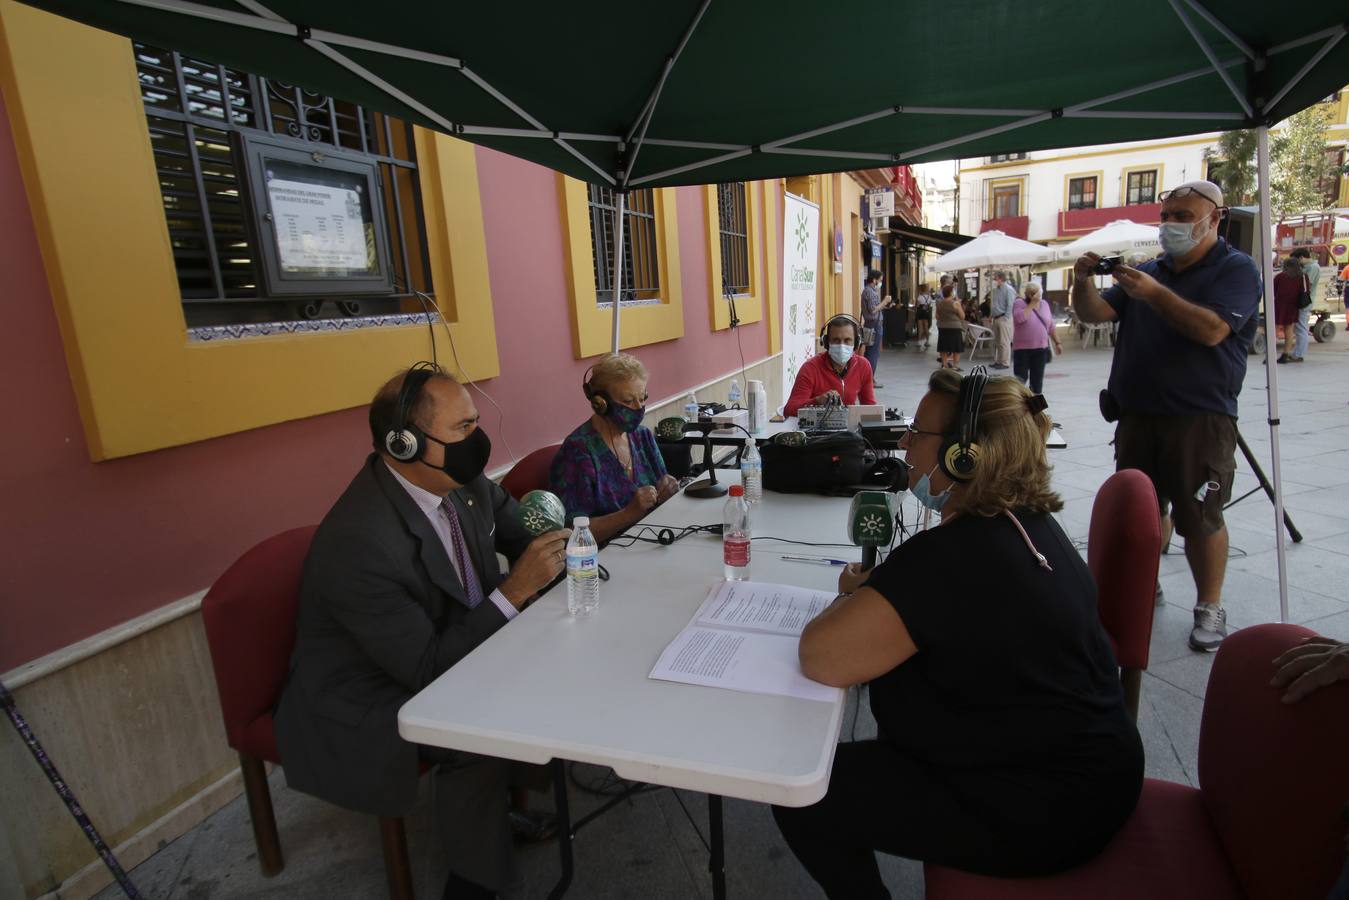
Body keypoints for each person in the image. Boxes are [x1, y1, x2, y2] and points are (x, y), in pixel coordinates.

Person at [772, 367, 1142, 898]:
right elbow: (961, 604)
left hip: (1049, 812)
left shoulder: (952, 559)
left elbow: (821, 656)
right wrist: (881, 589)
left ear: (963, 456)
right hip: (1092, 775)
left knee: (809, 794)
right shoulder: (1025, 523)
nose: (904, 444)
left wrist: (854, 600)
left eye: (917, 434)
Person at [275, 365, 573, 900]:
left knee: (546, 661)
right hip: (367, 691)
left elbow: (525, 536)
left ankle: (498, 813)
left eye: (475, 423)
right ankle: (475, 882)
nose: (477, 442)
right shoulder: (360, 541)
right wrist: (513, 590)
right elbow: (428, 669)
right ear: (404, 443)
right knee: (473, 728)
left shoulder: (464, 483)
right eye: (462, 430)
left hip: (441, 644)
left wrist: (573, 548)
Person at [1071, 180, 1261, 652]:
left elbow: (1213, 330)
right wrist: (1081, 282)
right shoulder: (1151, 269)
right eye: (1167, 214)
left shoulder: (1236, 270)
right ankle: (1142, 583)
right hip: (1137, 414)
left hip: (1199, 418)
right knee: (1144, 512)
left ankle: (1209, 606)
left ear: (1214, 218)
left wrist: (1155, 295)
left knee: (1200, 515)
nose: (1172, 224)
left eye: (1183, 215)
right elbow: (1096, 312)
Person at [549, 352, 680, 543]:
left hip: (654, 540)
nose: (638, 407)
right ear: (601, 403)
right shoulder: (578, 452)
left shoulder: (642, 436)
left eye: (642, 398)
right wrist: (628, 514)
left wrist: (669, 489)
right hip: (606, 559)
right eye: (628, 401)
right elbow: (571, 533)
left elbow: (662, 488)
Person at [784, 314, 878, 415]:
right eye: (836, 340)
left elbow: (870, 407)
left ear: (856, 343)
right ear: (826, 342)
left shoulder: (863, 366)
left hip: (849, 428)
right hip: (816, 428)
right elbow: (789, 409)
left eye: (847, 340)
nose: (842, 345)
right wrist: (817, 401)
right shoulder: (810, 368)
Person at [1011, 281, 1062, 394]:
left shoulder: (1044, 304)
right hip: (1022, 349)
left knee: (1037, 382)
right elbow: (1019, 318)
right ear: (1026, 293)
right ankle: (1019, 405)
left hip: (1040, 349)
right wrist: (1032, 304)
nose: (1034, 295)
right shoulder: (1019, 303)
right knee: (1020, 381)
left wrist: (1058, 342)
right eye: (1031, 293)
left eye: (1036, 292)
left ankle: (1036, 408)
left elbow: (1050, 326)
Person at [860, 269, 894, 387]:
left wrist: (885, 305)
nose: (880, 283)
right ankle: (869, 380)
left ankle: (866, 378)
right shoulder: (869, 292)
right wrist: (885, 301)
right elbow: (873, 309)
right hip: (873, 325)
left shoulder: (870, 291)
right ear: (874, 280)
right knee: (873, 353)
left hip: (873, 323)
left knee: (870, 352)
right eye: (880, 280)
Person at [1272, 257, 1305, 363]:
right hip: (1293, 306)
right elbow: (1304, 290)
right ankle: (1285, 354)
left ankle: (1271, 354)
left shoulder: (1280, 277)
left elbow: (1273, 290)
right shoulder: (1302, 277)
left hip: (1279, 305)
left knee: (1275, 329)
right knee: (1289, 330)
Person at [1290, 247, 1319, 362]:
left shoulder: (1312, 268)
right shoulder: (1307, 267)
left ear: (1301, 258)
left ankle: (1299, 354)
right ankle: (1297, 352)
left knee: (1301, 328)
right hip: (1302, 301)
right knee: (1299, 328)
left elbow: (1307, 284)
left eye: (1296, 260)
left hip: (1304, 302)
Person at [989, 270, 1017, 370]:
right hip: (996, 317)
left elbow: (1010, 304)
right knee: (997, 341)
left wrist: (1006, 317)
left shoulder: (1008, 289)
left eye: (995, 277)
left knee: (1004, 341)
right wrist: (991, 315)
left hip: (1004, 317)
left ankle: (1005, 362)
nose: (994, 279)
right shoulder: (997, 290)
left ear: (1000, 278)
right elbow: (995, 304)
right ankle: (998, 361)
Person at [934, 284, 965, 370]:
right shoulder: (955, 303)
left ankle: (945, 365)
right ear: (951, 293)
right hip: (954, 327)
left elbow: (936, 316)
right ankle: (955, 366)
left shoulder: (940, 303)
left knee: (943, 346)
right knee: (956, 347)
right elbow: (962, 316)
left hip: (942, 327)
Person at [914, 282, 934, 349]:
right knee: (926, 327)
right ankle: (927, 341)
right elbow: (930, 304)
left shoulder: (919, 297)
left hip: (920, 312)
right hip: (927, 312)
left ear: (920, 289)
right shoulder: (929, 296)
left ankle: (919, 342)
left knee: (920, 328)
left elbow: (917, 305)